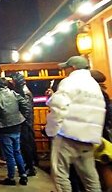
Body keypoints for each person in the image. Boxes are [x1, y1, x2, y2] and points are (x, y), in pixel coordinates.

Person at [46, 56, 106, 192]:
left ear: (72, 68)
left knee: (60, 174)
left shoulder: (70, 82)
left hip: (68, 134)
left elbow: (59, 107)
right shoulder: (94, 85)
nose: (65, 71)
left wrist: (52, 130)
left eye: (66, 68)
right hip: (88, 137)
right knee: (90, 177)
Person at [0, 77, 29, 186]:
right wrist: (22, 116)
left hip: (4, 127)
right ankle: (23, 175)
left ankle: (11, 178)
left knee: (9, 154)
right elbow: (25, 104)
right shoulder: (13, 93)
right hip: (17, 125)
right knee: (17, 151)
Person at [11, 72, 39, 176]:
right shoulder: (22, 90)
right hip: (25, 122)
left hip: (25, 123)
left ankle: (31, 167)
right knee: (25, 145)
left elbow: (26, 110)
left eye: (13, 81)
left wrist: (21, 121)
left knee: (27, 145)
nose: (12, 83)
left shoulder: (24, 92)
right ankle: (29, 165)